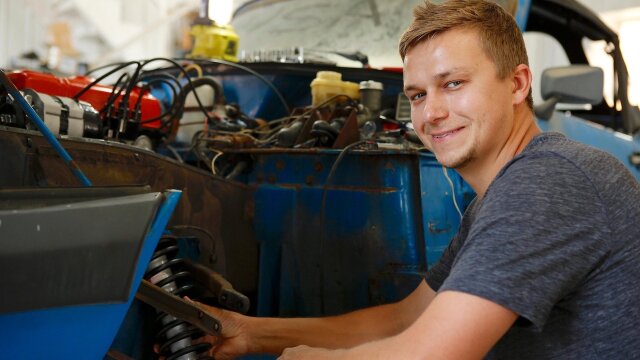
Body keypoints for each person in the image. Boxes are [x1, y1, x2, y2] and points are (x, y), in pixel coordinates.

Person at [189, 0, 640, 358]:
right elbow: (405, 321)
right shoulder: (497, 196)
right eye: (418, 95)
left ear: (519, 83)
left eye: (454, 84)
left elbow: (426, 353)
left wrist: (313, 358)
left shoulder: (550, 179)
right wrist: (250, 333)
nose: (432, 113)